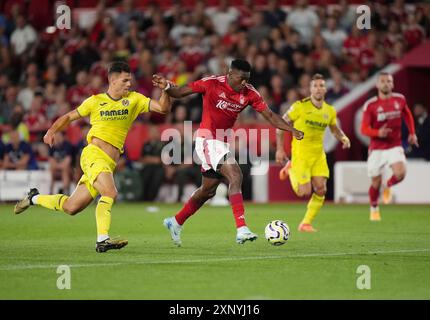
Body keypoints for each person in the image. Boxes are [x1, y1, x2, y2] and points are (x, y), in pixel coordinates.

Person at [14, 61, 172, 252]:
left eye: (130, 80)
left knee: (71, 207)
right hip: (93, 155)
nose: (129, 84)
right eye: (125, 80)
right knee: (110, 192)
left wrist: (166, 90)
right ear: (112, 80)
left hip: (108, 162)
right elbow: (69, 117)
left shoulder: (135, 99)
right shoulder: (95, 101)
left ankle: (34, 198)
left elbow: (163, 109)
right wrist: (51, 131)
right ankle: (102, 240)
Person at [152, 59, 304, 246]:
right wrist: (166, 85)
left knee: (207, 191)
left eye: (247, 79)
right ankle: (242, 229)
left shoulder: (250, 93)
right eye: (241, 79)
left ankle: (175, 222)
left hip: (222, 142)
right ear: (230, 74)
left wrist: (291, 129)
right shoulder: (212, 83)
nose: (244, 83)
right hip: (207, 139)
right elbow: (181, 92)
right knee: (235, 175)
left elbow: (270, 116)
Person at [276, 74, 351, 232]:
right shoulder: (300, 106)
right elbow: (280, 125)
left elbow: (334, 128)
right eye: (315, 86)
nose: (318, 88)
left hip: (318, 155)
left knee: (321, 189)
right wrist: (280, 149)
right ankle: (290, 168)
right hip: (301, 154)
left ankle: (306, 223)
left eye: (321, 85)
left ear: (325, 89)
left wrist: (343, 138)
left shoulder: (329, 111)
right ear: (310, 89)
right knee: (304, 192)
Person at [360, 72, 418, 221]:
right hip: (376, 148)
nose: (386, 83)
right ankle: (374, 207)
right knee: (375, 182)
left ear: (392, 84)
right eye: (383, 81)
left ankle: (388, 185)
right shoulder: (371, 105)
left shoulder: (400, 99)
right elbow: (364, 129)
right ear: (377, 85)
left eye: (389, 81)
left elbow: (407, 114)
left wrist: (412, 133)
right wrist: (378, 132)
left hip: (394, 145)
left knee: (400, 173)